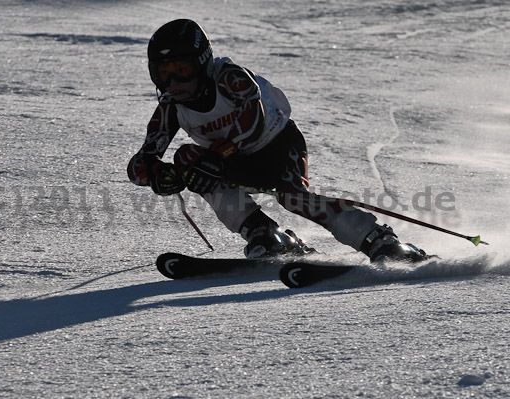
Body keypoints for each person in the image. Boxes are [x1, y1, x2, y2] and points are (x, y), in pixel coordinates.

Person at [127, 19, 429, 262]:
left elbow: (252, 120)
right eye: (163, 73)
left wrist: (217, 156)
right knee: (187, 161)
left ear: (203, 63)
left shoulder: (229, 77)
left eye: (182, 70)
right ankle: (262, 232)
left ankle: (378, 239)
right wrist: (157, 176)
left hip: (277, 147)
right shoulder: (171, 106)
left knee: (292, 197)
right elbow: (140, 162)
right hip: (232, 163)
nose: (173, 83)